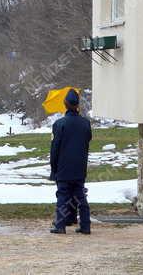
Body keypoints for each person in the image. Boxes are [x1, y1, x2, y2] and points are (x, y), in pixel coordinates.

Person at [49, 88, 92, 235]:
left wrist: (54, 167)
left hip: (64, 167)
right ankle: (85, 225)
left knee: (62, 195)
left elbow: (55, 149)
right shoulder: (86, 123)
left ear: (65, 104)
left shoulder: (59, 124)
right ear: (78, 104)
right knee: (80, 196)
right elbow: (87, 141)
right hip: (80, 166)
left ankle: (60, 225)